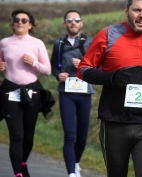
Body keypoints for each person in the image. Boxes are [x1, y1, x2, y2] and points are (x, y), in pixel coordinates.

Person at [76, 0, 142, 177]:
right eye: (137, 10)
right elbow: (83, 69)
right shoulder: (108, 35)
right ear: (126, 11)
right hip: (115, 122)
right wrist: (110, 78)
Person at [0, 9, 55, 177]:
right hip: (10, 90)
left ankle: (23, 163)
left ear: (30, 25)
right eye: (17, 19)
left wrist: (35, 63)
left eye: (24, 20)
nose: (19, 22)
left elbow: (47, 70)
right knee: (16, 134)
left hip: (32, 90)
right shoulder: (4, 43)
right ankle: (18, 173)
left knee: (28, 135)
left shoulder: (37, 43)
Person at [50, 9, 96, 177]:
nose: (73, 23)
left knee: (82, 136)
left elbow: (99, 66)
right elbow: (54, 66)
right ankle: (71, 173)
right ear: (65, 24)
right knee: (70, 135)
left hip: (84, 92)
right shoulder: (59, 44)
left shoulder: (90, 42)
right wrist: (57, 75)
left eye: (76, 20)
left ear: (81, 23)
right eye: (69, 20)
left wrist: (84, 65)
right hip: (66, 92)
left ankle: (76, 163)